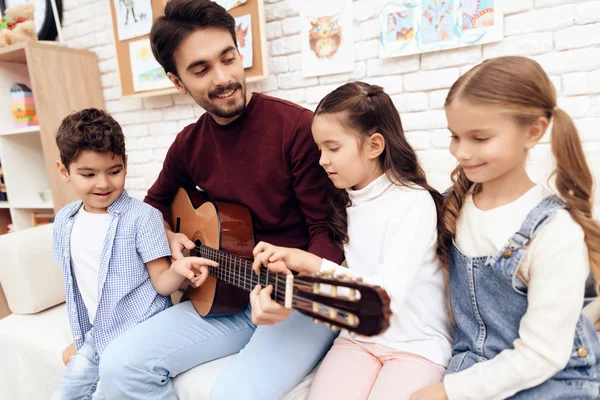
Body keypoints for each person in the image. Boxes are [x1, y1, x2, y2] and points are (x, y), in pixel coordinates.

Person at [98, 1, 343, 399]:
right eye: (201, 69)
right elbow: (150, 207)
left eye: (228, 58)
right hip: (225, 298)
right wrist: (168, 235)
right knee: (118, 365)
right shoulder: (189, 144)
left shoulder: (296, 128)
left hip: (296, 302)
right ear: (177, 81)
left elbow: (329, 233)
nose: (224, 77)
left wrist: (293, 293)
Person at [411, 56, 600, 400]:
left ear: (534, 131)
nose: (462, 152)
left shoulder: (555, 230)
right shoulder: (453, 205)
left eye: (480, 138)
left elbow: (542, 355)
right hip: (475, 369)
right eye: (455, 136)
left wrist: (447, 392)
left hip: (551, 379)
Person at [253, 81, 453, 400]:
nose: (322, 160)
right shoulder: (346, 201)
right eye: (319, 149)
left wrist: (312, 264)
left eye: (333, 148)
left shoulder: (413, 203)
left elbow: (384, 297)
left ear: (374, 145)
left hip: (416, 347)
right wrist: (290, 286)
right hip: (357, 340)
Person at [51, 108, 216, 399]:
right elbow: (78, 288)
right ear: (64, 172)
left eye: (114, 172)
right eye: (88, 174)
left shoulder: (144, 217)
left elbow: (161, 283)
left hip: (138, 332)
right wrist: (82, 339)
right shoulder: (65, 220)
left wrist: (178, 271)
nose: (103, 184)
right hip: (97, 336)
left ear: (125, 164)